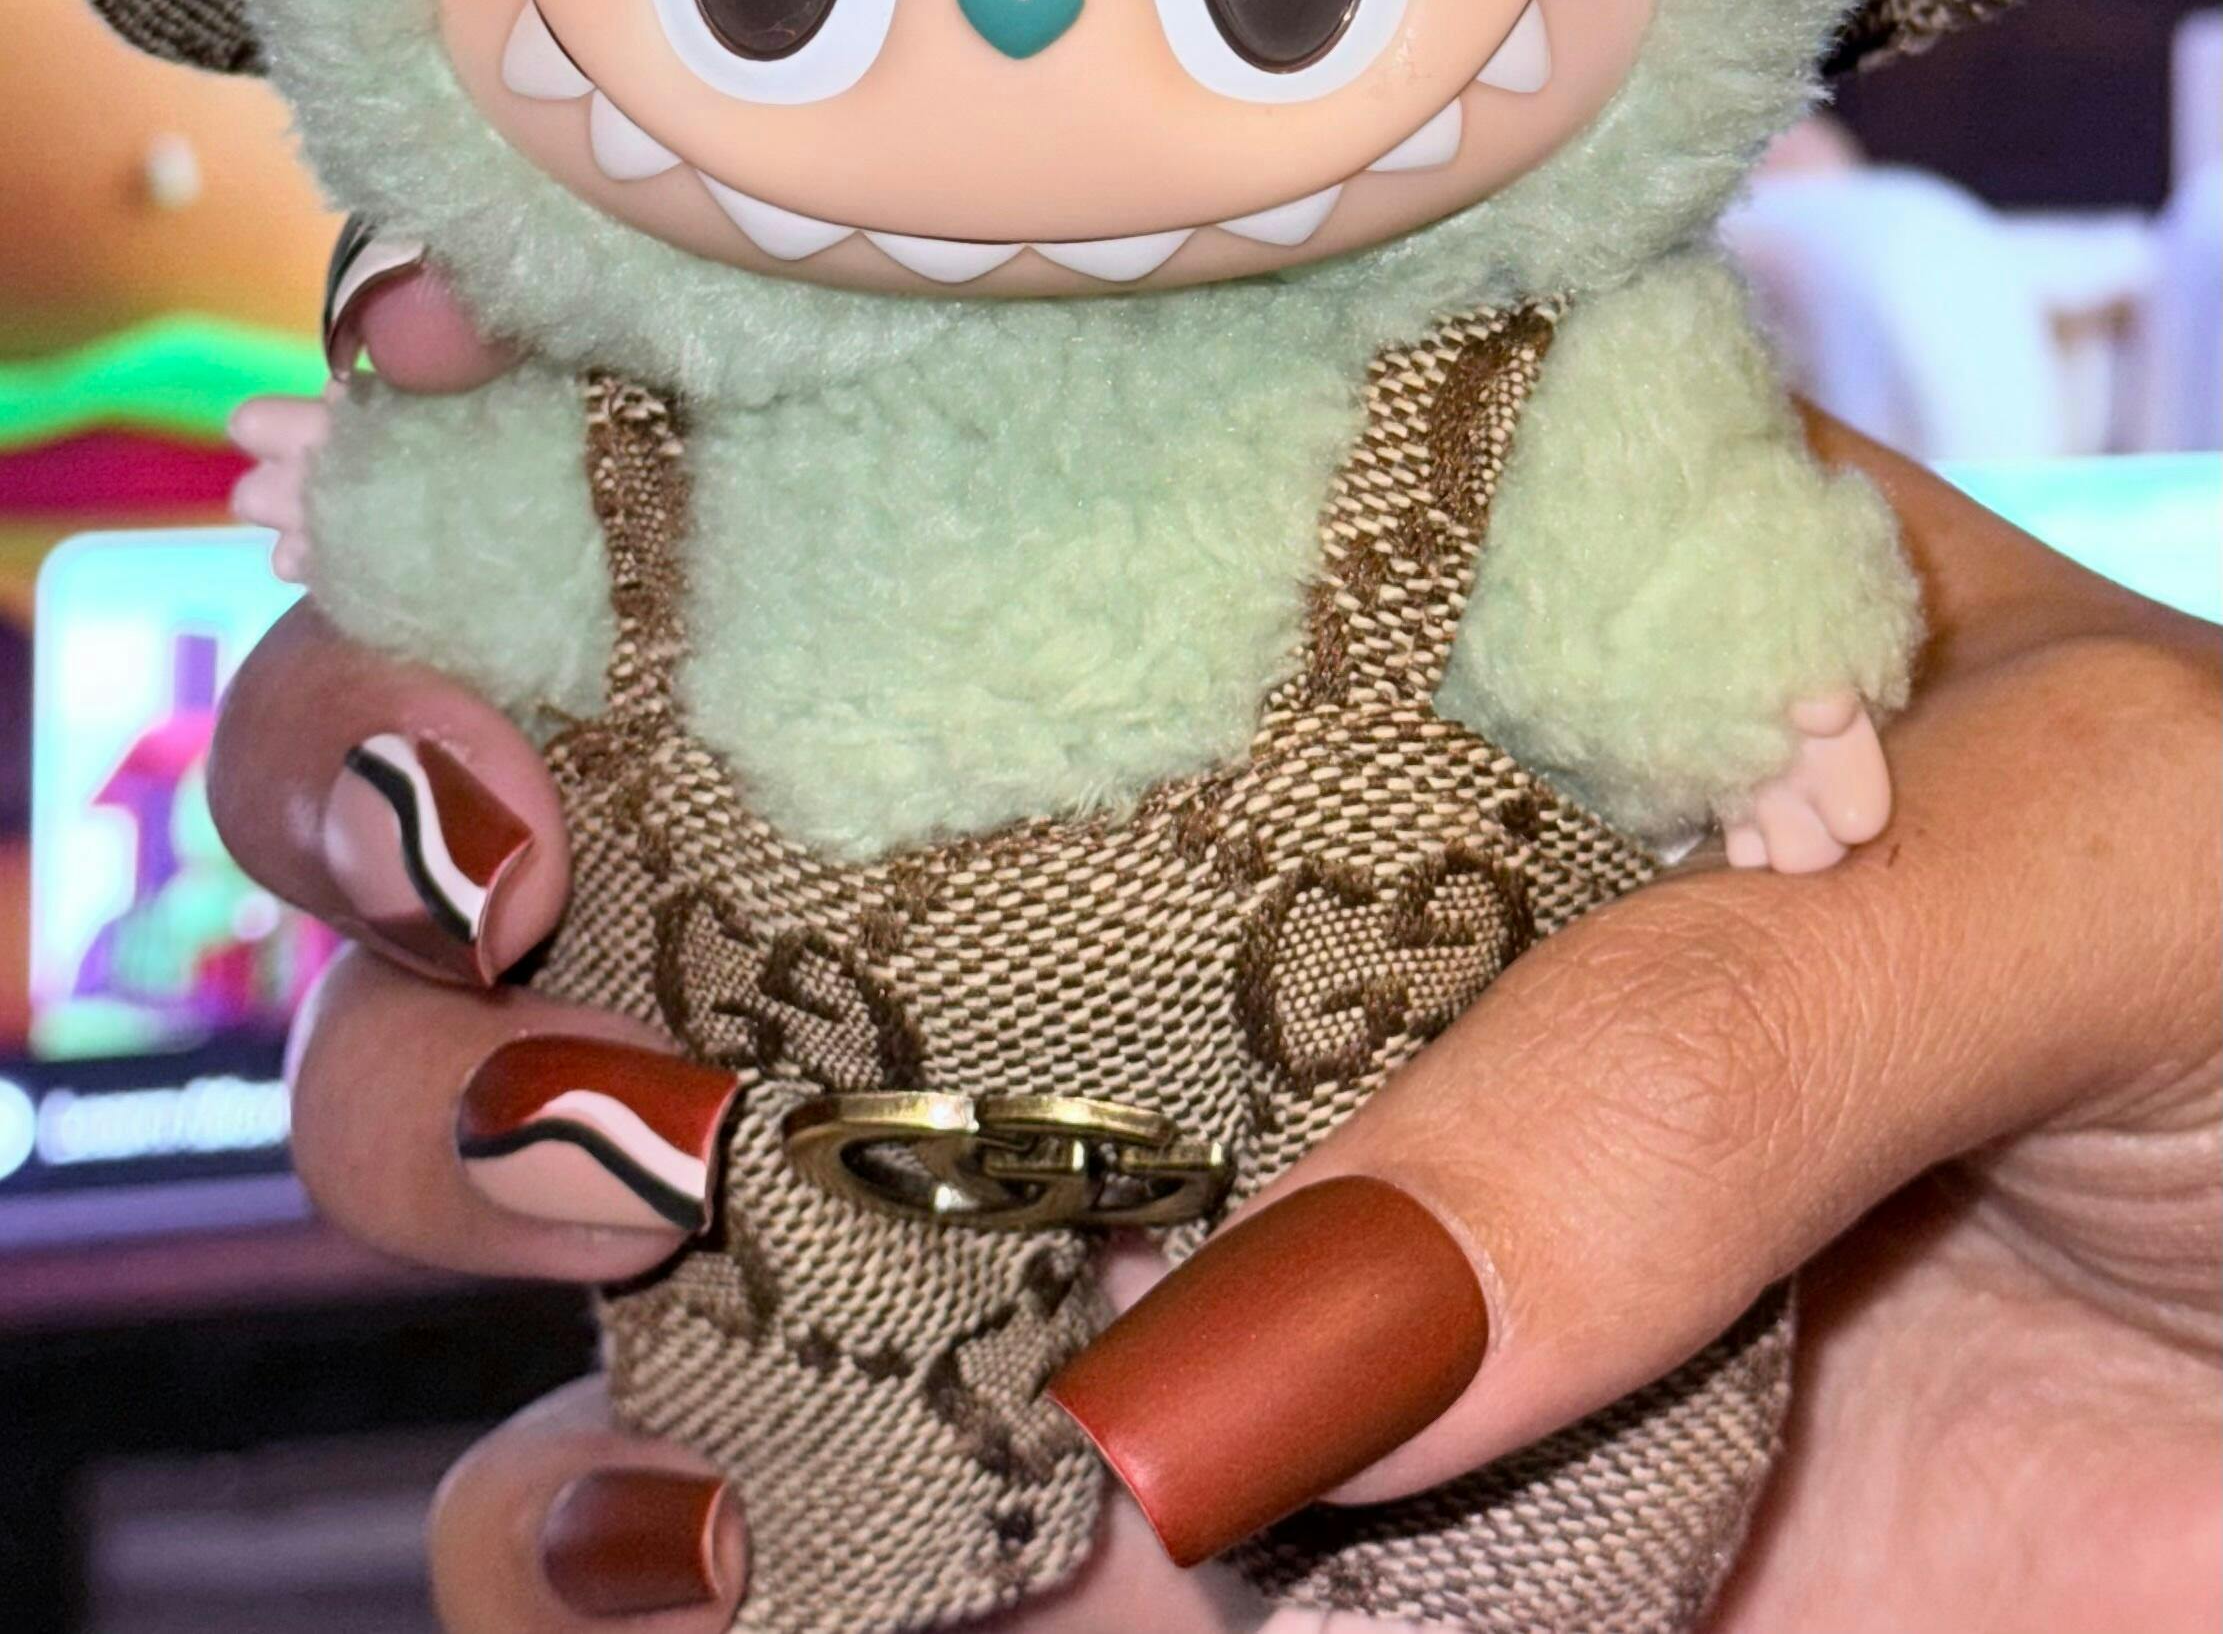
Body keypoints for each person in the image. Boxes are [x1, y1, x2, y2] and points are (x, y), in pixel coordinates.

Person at [208, 414, 2221, 1634]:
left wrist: (1764, 693)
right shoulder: (657, 406)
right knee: (794, 1368)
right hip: (879, 1108)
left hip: (1433, 1104)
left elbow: (1681, 565)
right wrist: (415, 489)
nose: (1019, 14)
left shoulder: (1520, 386)